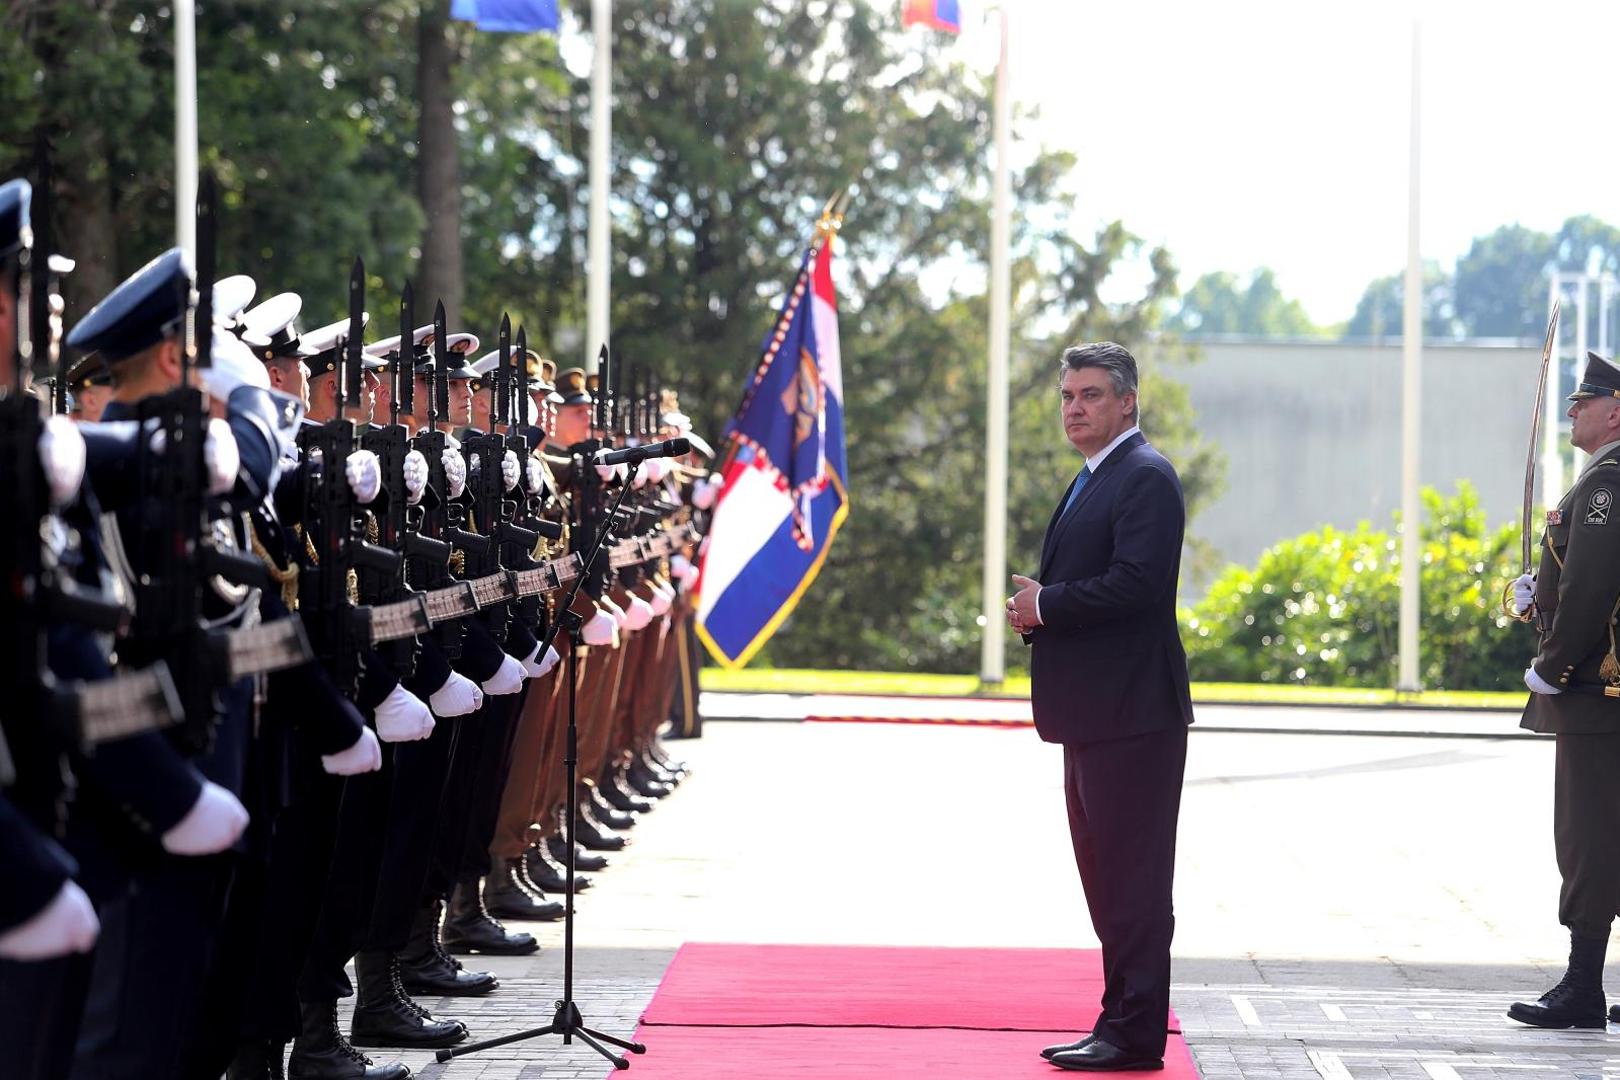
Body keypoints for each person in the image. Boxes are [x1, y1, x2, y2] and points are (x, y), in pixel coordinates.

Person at [1005, 341, 1192, 1073]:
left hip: (1133, 716)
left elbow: (1138, 585)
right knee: (1108, 878)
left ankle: (1135, 1032)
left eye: (1089, 395)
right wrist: (1039, 611)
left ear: (1127, 402)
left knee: (1133, 880)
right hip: (1096, 714)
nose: (1074, 408)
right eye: (1067, 396)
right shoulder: (1094, 476)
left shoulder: (1145, 476)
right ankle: (1119, 1020)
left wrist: (1046, 604)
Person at [1505, 350, 1620, 1030]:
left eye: (1587, 400)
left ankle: (1582, 988)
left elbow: (1591, 588)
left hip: (1594, 690)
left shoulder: (1606, 483)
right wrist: (1536, 592)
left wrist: (1553, 659)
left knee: (1588, 835)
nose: (1573, 410)